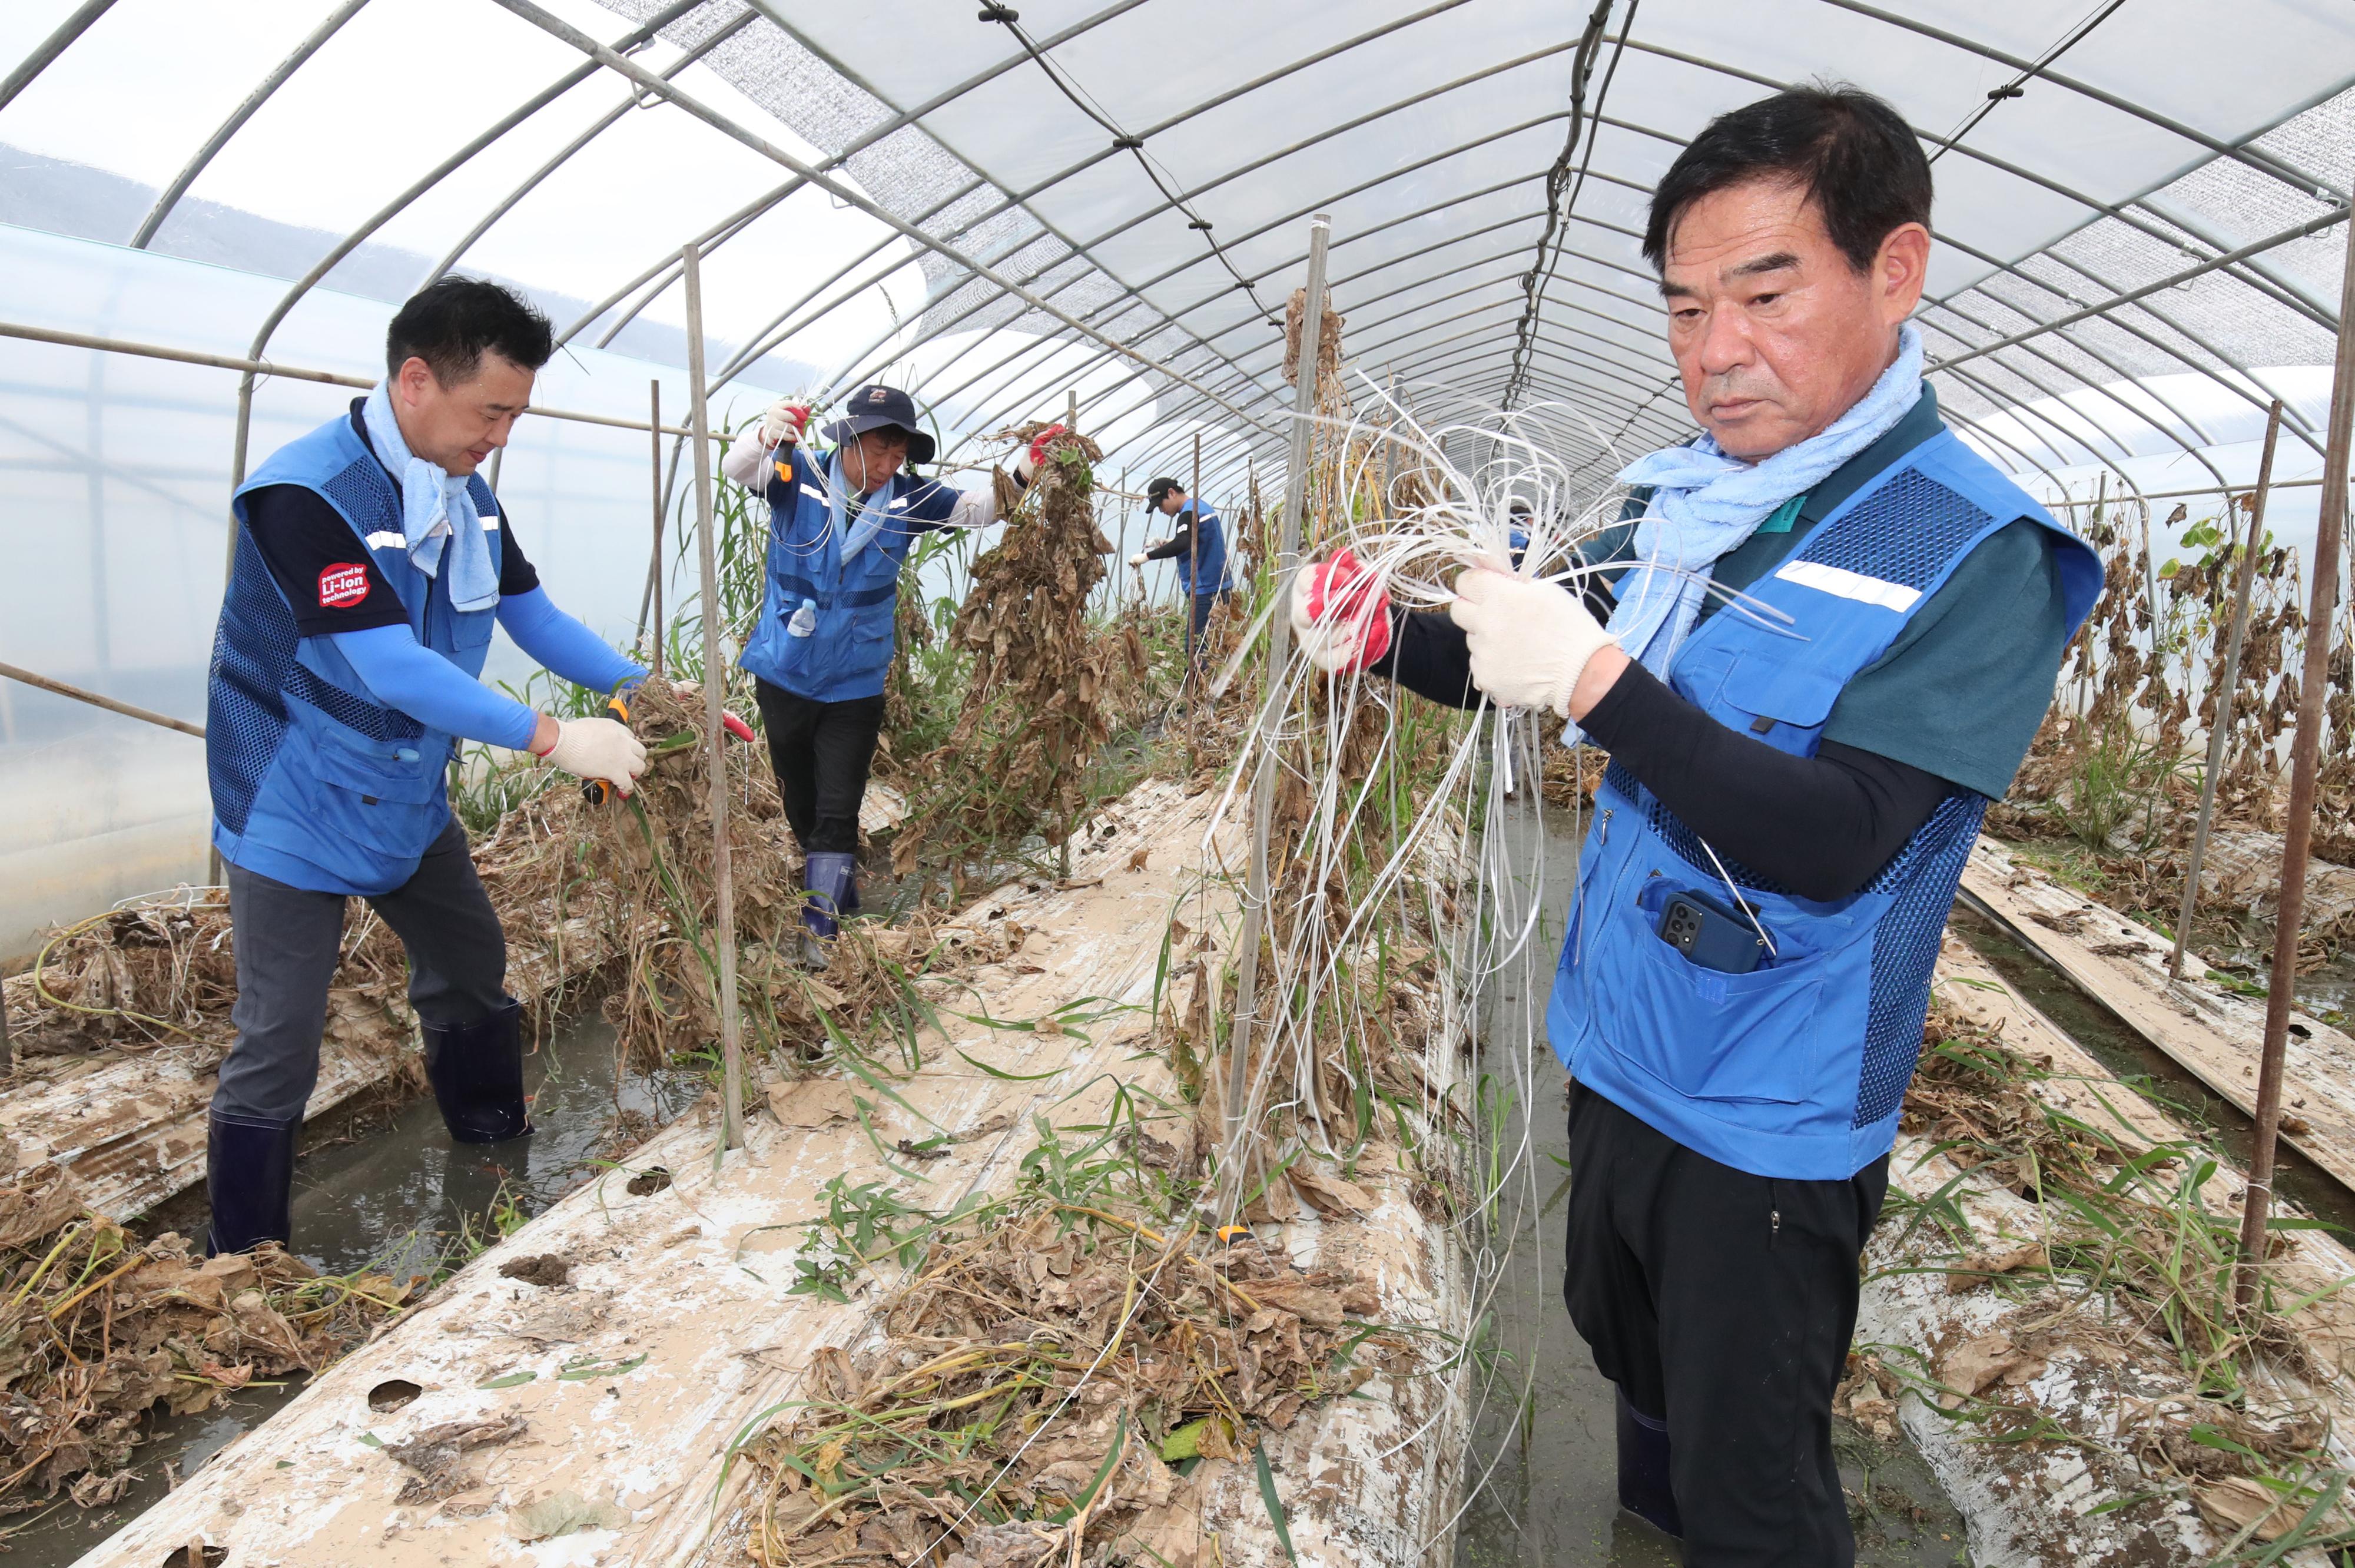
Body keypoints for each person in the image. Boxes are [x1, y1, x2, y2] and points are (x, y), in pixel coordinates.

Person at [1291, 86, 2101, 1563]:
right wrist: (1383, 637)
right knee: (1623, 1341)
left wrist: (1597, 680)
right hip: (1620, 1043)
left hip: (1770, 1107)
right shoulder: (1689, 506)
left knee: (1754, 1475)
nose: (1714, 349)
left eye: (1764, 292)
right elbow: (1518, 660)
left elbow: (1841, 832)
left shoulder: (1966, 549)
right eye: (1680, 308)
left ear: (1894, 270)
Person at [205, 277, 656, 1255]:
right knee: (279, 1041)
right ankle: (242, 1265)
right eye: (490, 410)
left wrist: (648, 691)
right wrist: (552, 737)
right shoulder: (305, 495)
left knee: (470, 967)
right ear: (416, 381)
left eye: (514, 415)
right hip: (296, 798)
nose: (499, 434)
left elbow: (527, 613)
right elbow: (387, 662)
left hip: (404, 792)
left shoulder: (462, 495)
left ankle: (493, 1155)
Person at [721, 386, 1060, 956]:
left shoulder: (907, 499)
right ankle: (835, 891)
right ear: (849, 441)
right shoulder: (796, 475)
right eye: (878, 452)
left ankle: (819, 933)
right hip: (784, 671)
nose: (886, 467)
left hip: (856, 680)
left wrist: (1031, 464)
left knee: (838, 805)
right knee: (800, 802)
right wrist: (766, 432)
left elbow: (982, 508)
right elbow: (738, 467)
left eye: (898, 456)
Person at [1127, 478, 1235, 682]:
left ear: (1171, 493)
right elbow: (1196, 540)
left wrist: (1147, 557)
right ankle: (1209, 693)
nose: (1162, 511)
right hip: (1220, 585)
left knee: (1195, 645)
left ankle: (1196, 701)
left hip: (1206, 589)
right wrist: (1170, 543)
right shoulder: (1202, 507)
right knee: (1212, 642)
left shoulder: (1188, 513)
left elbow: (1184, 543)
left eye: (1161, 505)